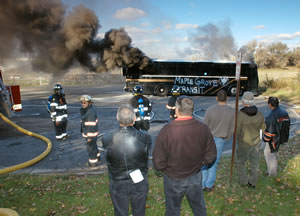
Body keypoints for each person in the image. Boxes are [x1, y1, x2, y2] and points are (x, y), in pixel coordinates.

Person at [153, 96, 216, 216]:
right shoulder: (203, 128)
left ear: (177, 110)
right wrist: (201, 164)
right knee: (198, 207)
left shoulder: (167, 130)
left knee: (172, 209)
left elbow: (158, 160)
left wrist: (165, 169)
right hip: (194, 176)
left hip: (173, 178)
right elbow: (211, 154)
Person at [102, 104, 152, 216]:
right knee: (139, 211)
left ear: (117, 118)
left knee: (120, 212)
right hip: (138, 180)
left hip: (117, 181)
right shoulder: (144, 137)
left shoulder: (107, 137)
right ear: (134, 119)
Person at [202, 90, 235, 192]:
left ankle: (202, 184)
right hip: (220, 139)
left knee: (204, 162)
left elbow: (204, 126)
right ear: (227, 98)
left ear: (216, 98)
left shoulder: (210, 110)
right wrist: (228, 137)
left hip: (208, 139)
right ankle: (209, 185)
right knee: (214, 163)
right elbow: (232, 128)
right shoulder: (232, 111)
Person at [236, 91, 266, 188]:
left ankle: (243, 181)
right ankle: (253, 182)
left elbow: (236, 130)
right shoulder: (259, 114)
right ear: (252, 101)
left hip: (244, 143)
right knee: (255, 163)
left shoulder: (240, 115)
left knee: (240, 162)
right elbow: (263, 128)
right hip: (256, 142)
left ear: (243, 102)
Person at [263, 97, 290, 177]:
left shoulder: (271, 116)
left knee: (270, 155)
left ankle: (272, 174)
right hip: (282, 137)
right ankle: (271, 171)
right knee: (273, 155)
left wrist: (265, 139)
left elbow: (269, 131)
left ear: (270, 104)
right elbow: (287, 125)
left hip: (274, 140)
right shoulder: (284, 112)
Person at [80, 95, 101, 167]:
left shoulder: (91, 112)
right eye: (82, 103)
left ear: (89, 103)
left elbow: (91, 125)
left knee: (91, 148)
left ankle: (93, 162)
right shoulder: (87, 110)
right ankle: (98, 158)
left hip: (91, 135)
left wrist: (89, 137)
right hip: (91, 135)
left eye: (84, 103)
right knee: (94, 147)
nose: (82, 104)